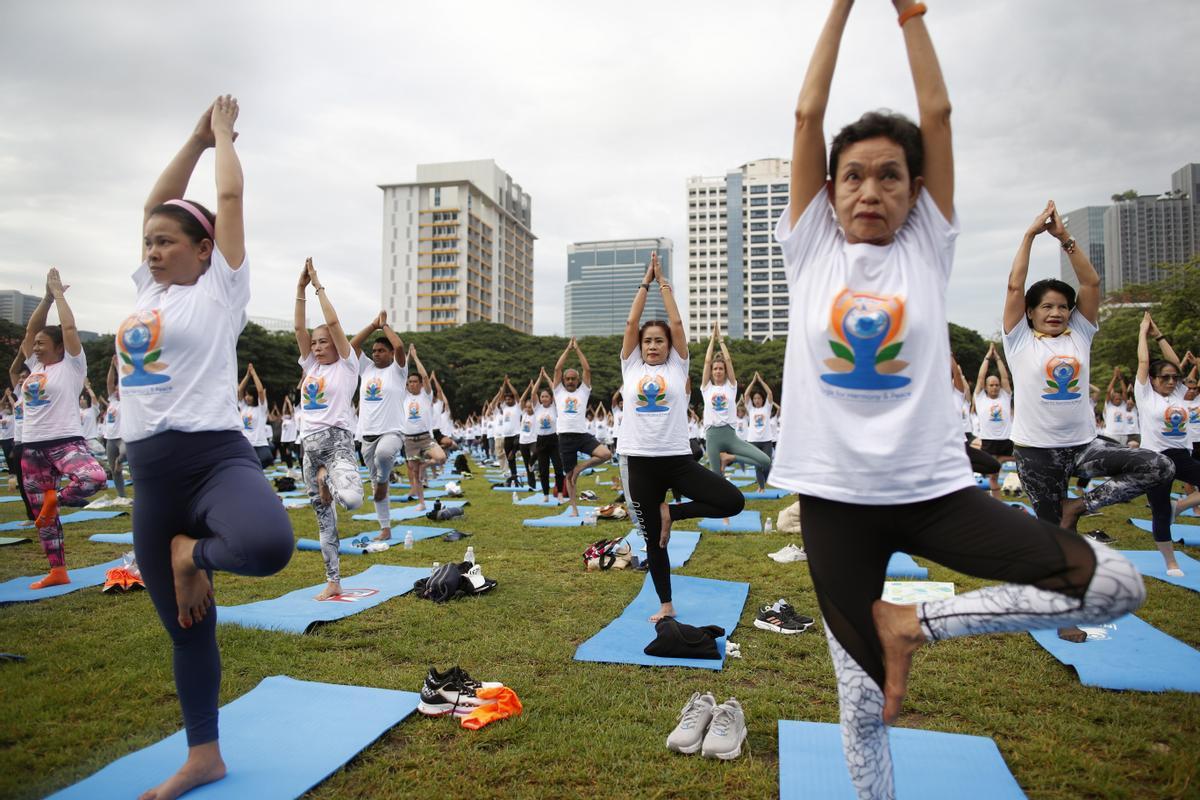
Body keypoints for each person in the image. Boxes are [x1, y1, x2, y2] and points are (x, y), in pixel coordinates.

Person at [772, 5, 1145, 797]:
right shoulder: (810, 246)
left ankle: (912, 625)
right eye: (853, 176)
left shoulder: (926, 246)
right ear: (829, 192)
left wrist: (909, 14)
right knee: (862, 708)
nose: (869, 190)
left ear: (917, 195)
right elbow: (808, 113)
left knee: (1116, 584)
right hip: (834, 505)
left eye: (891, 176)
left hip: (937, 493)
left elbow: (936, 113)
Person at [121, 96, 294, 800]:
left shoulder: (220, 290)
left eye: (169, 242)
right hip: (152, 475)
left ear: (203, 249)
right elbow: (158, 201)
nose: (155, 250)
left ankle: (195, 555)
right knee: (188, 628)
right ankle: (204, 756)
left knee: (267, 546)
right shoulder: (145, 291)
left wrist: (218, 137)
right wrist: (189, 140)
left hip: (215, 456)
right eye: (149, 242)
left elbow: (226, 194)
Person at [1002, 200, 1173, 537]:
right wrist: (1029, 236)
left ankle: (1078, 506)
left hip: (1084, 447)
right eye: (1046, 306)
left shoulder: (1079, 333)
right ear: (1031, 313)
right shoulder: (1019, 340)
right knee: (1054, 534)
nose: (1056, 312)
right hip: (1036, 453)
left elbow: (1091, 284)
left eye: (1063, 307)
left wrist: (1065, 237)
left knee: (1158, 466)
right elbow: (1014, 287)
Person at [620, 253, 744, 622]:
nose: (654, 345)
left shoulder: (678, 365)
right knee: (655, 541)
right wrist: (644, 283)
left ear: (670, 346)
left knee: (732, 501)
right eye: (648, 342)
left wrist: (664, 285)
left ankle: (672, 512)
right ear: (640, 347)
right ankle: (666, 604)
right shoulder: (630, 366)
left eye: (659, 341)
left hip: (676, 459)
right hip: (638, 461)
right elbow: (631, 322)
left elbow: (675, 320)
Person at [16, 268, 106, 587]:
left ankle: (57, 499)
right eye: (35, 344)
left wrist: (60, 296)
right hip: (31, 446)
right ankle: (57, 570)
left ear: (58, 346)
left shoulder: (71, 366)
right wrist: (44, 298)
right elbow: (30, 330)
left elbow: (68, 326)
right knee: (43, 518)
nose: (36, 346)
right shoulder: (35, 367)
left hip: (65, 442)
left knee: (92, 477)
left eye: (42, 343)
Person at [295, 258, 365, 599]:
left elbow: (333, 321)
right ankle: (333, 580)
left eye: (325, 341)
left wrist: (318, 285)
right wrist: (299, 290)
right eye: (316, 342)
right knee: (324, 520)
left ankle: (329, 485)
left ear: (337, 344)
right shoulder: (309, 365)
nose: (318, 346)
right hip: (308, 448)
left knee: (351, 500)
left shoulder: (347, 365)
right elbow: (299, 331)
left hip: (336, 443)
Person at [1134, 313, 1199, 574]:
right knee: (1160, 512)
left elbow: (1175, 364)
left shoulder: (1180, 394)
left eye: (1174, 378)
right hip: (1156, 460)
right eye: (1165, 378)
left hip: (1182, 456)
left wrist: (1158, 334)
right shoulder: (1145, 394)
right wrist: (1142, 332)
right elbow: (1143, 360)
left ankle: (1180, 506)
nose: (1171, 381)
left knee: (1170, 509)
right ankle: (1170, 562)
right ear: (1153, 379)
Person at [349, 311, 406, 540]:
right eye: (374, 351)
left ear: (391, 353)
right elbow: (352, 345)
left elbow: (400, 347)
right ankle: (385, 528)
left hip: (392, 431)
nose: (376, 354)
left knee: (384, 455)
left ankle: (384, 479)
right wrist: (373, 326)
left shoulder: (398, 371)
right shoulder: (367, 369)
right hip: (366, 434)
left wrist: (385, 326)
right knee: (375, 487)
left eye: (381, 350)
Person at [700, 322, 772, 479]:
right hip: (712, 436)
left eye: (721, 368)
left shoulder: (730, 387)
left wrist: (721, 341)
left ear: (725, 372)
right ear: (711, 372)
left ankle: (730, 458)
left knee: (765, 461)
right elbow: (706, 361)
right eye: (715, 369)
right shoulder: (707, 388)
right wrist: (712, 338)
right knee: (716, 477)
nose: (718, 371)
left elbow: (728, 360)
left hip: (730, 435)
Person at [553, 337, 612, 515]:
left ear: (578, 380)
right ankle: (573, 508)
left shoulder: (583, 391)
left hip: (581, 435)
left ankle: (581, 468)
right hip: (565, 437)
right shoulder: (558, 391)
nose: (570, 381)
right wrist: (567, 349)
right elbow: (557, 368)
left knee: (606, 454)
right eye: (567, 378)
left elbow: (587, 369)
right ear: (563, 380)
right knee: (569, 476)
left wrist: (577, 349)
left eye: (573, 379)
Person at [399, 343, 446, 509]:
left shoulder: (426, 395)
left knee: (441, 458)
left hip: (426, 438)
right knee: (414, 473)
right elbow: (401, 373)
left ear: (419, 384)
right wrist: (407, 358)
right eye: (409, 382)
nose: (411, 384)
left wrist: (415, 356)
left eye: (414, 382)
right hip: (409, 440)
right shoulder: (404, 396)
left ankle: (425, 465)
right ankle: (421, 503)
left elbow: (425, 377)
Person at [973, 343, 1013, 499]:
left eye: (997, 385)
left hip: (1006, 439)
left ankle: (1002, 459)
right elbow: (981, 377)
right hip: (989, 441)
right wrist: (988, 357)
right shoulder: (980, 397)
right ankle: (996, 502)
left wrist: (998, 359)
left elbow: (1004, 377)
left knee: (1022, 457)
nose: (995, 387)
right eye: (992, 385)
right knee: (993, 476)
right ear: (986, 387)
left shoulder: (1005, 395)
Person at [531, 369, 564, 502]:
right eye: (542, 396)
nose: (544, 398)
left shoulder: (554, 408)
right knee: (543, 470)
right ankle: (546, 495)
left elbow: (555, 389)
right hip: (541, 441)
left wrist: (547, 377)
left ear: (551, 398)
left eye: (546, 396)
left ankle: (560, 493)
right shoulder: (537, 408)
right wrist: (540, 378)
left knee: (558, 468)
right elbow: (533, 392)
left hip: (553, 440)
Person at [744, 372, 776, 490]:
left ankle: (766, 481)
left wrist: (761, 381)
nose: (757, 400)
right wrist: (753, 381)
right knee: (757, 465)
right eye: (755, 398)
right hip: (753, 441)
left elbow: (770, 393)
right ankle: (761, 487)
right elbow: (746, 394)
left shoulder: (767, 408)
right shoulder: (751, 409)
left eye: (759, 398)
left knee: (767, 464)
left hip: (766, 441)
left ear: (762, 400)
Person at [101, 355, 127, 498]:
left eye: (119, 388)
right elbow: (109, 383)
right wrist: (112, 366)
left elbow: (122, 382)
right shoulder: (112, 400)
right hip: (110, 438)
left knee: (124, 454)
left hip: (123, 437)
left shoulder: (127, 401)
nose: (116, 390)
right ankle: (121, 496)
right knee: (114, 470)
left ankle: (119, 461)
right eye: (116, 389)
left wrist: (118, 367)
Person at [236, 363, 272, 469]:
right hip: (245, 444)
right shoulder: (243, 407)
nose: (247, 397)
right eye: (246, 395)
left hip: (259, 444)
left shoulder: (261, 408)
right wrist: (247, 375)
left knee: (262, 464)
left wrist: (254, 374)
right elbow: (239, 390)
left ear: (254, 396)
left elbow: (260, 391)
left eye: (250, 395)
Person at [1102, 368, 1130, 446]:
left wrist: (1120, 378)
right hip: (1111, 435)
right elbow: (1108, 391)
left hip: (1124, 435)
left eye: (1119, 398)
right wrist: (1114, 377)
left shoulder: (1123, 405)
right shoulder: (1108, 405)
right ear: (1112, 399)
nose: (1118, 399)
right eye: (1116, 398)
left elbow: (1124, 392)